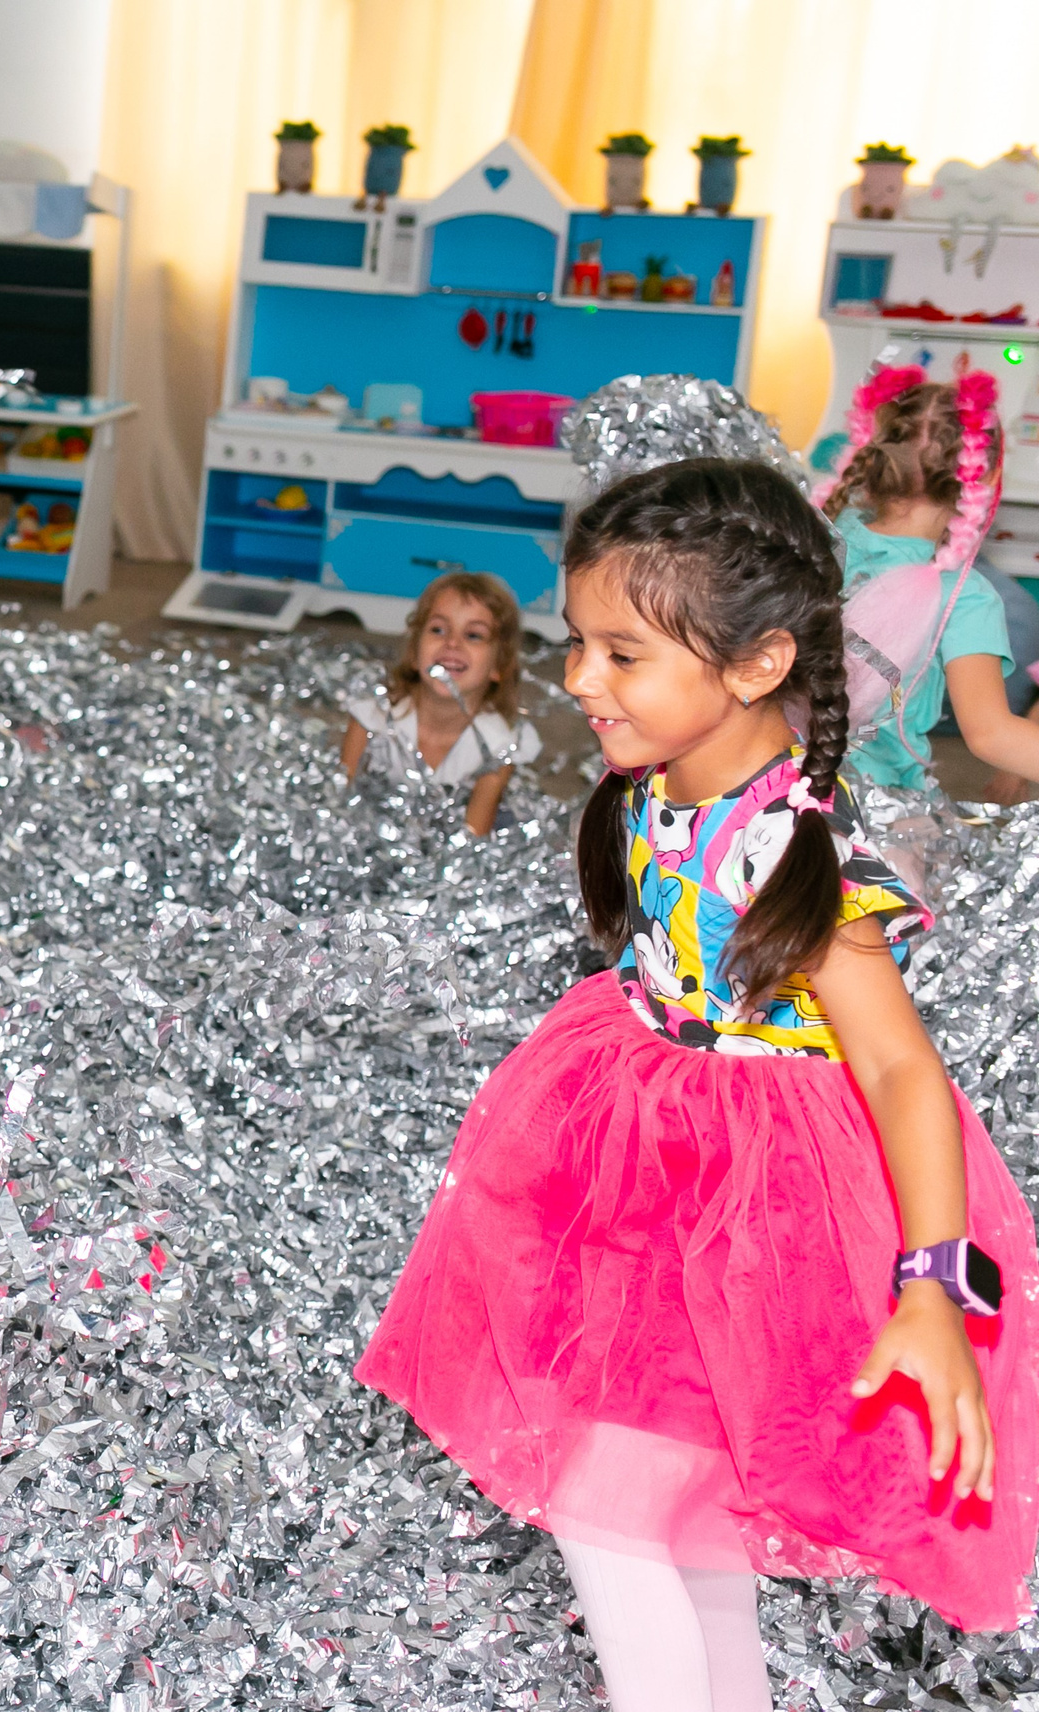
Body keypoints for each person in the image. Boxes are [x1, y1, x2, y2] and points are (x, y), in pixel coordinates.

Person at [358, 460, 1039, 1711]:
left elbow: (899, 1069)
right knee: (695, 1538)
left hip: (765, 1216)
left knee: (606, 1513)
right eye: (576, 644)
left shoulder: (796, 847)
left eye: (621, 653)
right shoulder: (653, 785)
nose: (576, 681)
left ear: (757, 663)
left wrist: (935, 1285)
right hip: (635, 1176)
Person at [821, 365, 1039, 798]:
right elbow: (991, 734)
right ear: (988, 475)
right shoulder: (965, 597)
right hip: (877, 808)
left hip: (768, 788)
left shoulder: (820, 538)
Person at [339, 570, 539, 836]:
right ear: (413, 653)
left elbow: (473, 836)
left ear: (498, 667)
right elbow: (339, 802)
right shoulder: (372, 717)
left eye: (474, 635)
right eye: (438, 629)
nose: (452, 643)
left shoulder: (500, 745)